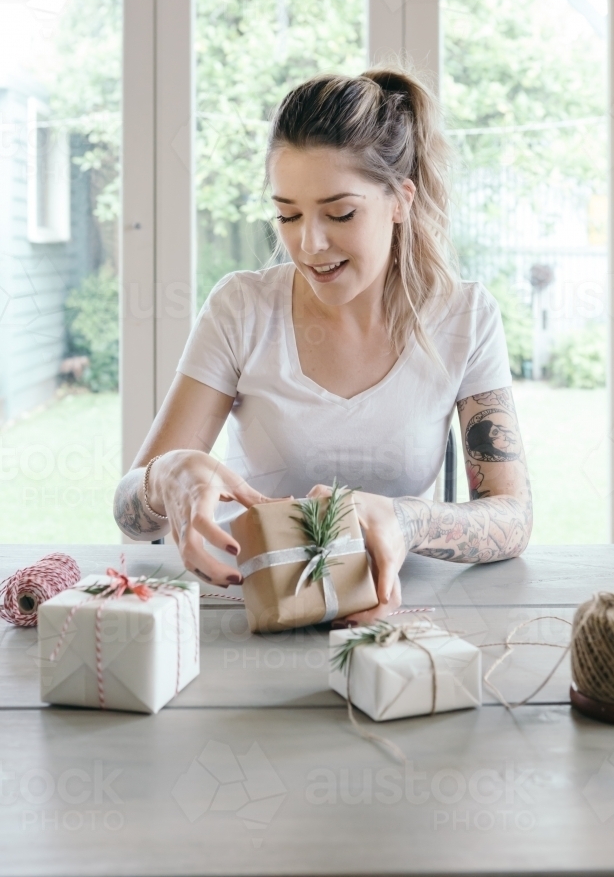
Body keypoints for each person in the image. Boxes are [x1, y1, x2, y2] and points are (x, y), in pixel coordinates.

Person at [113, 68, 532, 624]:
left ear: (400, 200)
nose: (308, 244)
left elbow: (512, 516)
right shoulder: (242, 308)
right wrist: (166, 478)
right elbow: (132, 518)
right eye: (287, 214)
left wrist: (405, 521)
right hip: (244, 610)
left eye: (340, 213)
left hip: (385, 620)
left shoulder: (465, 318)